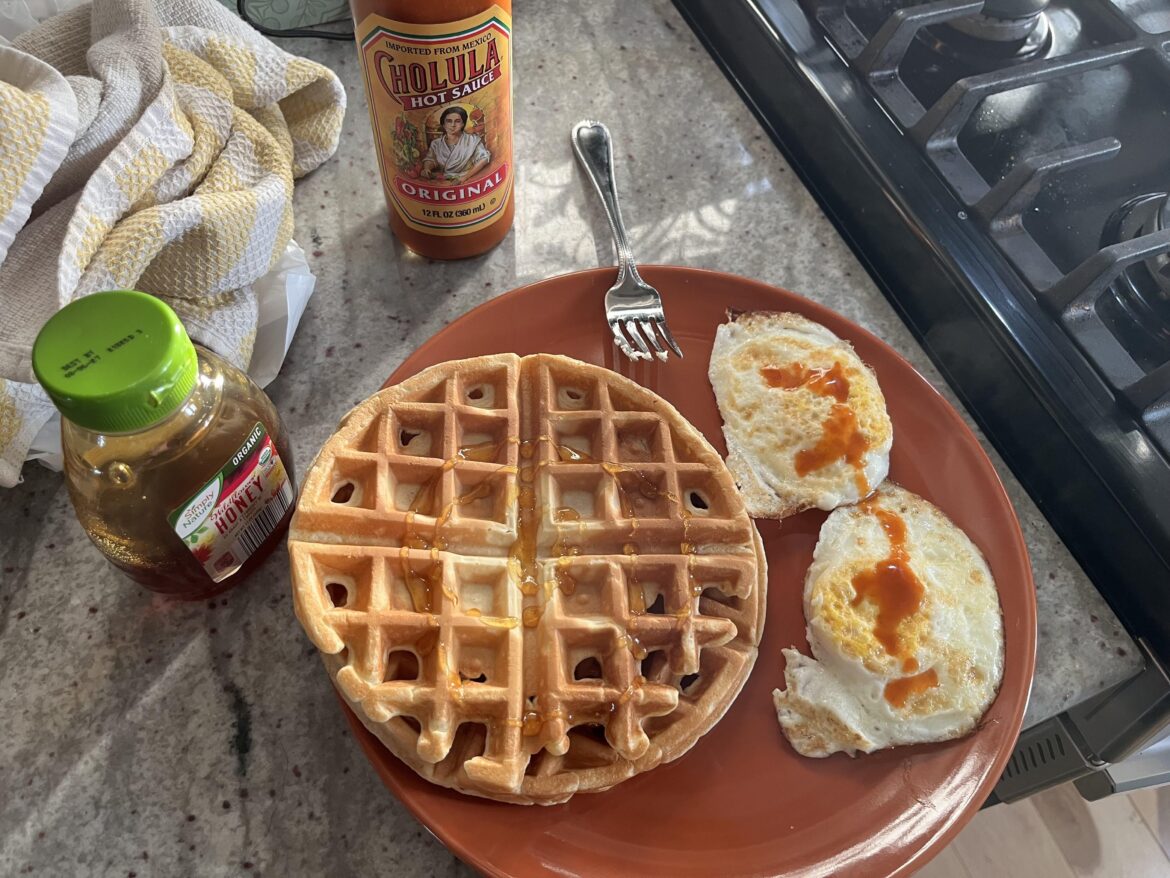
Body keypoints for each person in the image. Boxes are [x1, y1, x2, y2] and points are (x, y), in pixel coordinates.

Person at [420, 106, 490, 183]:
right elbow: (431, 159)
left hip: (467, 180)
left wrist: (464, 177)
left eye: (457, 121)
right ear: (443, 124)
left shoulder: (472, 140)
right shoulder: (436, 143)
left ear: (463, 124)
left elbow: (484, 159)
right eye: (449, 121)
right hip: (442, 180)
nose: (453, 125)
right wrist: (427, 168)